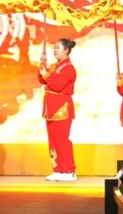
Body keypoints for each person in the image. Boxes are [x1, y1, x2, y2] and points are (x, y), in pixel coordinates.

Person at [38, 38, 78, 182]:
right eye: (54, 47)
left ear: (66, 50)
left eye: (58, 48)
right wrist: (42, 65)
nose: (54, 50)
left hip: (61, 107)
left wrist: (46, 74)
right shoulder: (55, 66)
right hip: (51, 107)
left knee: (62, 140)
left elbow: (57, 85)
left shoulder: (69, 68)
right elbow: (43, 80)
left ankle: (69, 171)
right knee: (53, 140)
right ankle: (58, 169)